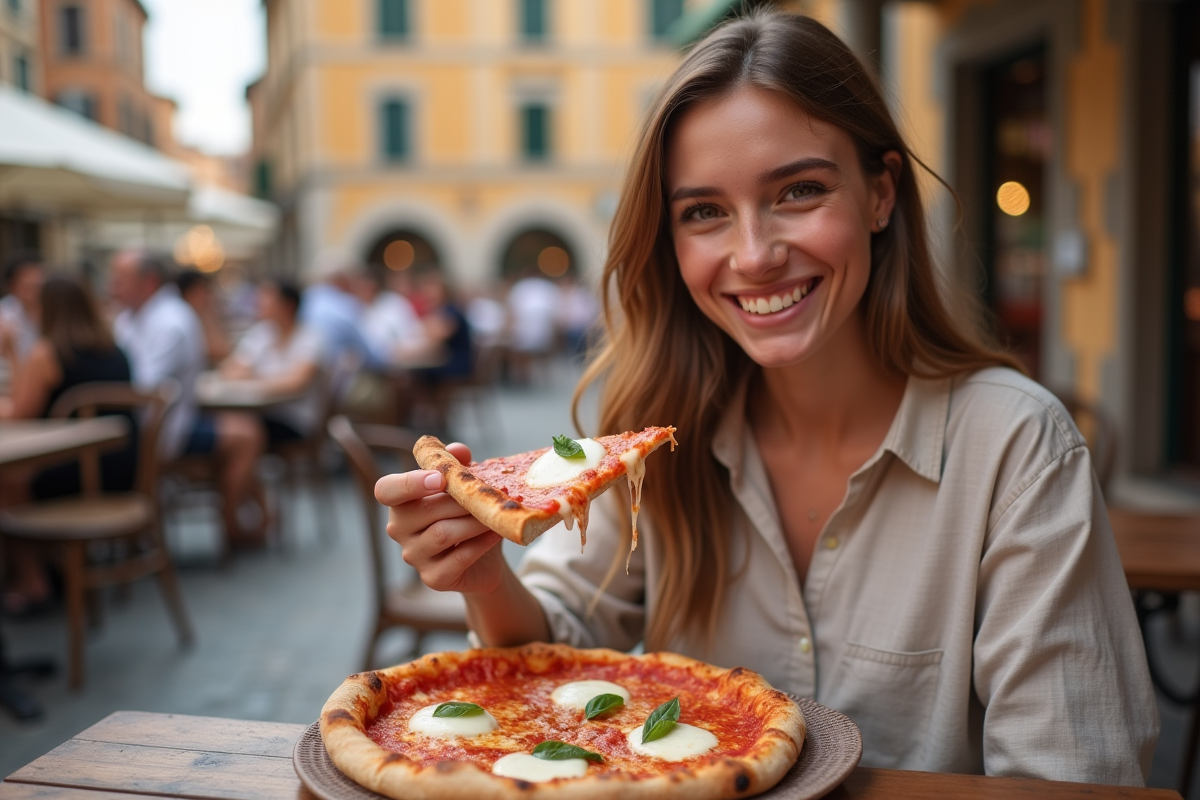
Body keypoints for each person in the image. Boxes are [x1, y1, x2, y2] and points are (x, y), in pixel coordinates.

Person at [374, 12, 1157, 786]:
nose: (754, 255)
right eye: (704, 212)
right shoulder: (659, 442)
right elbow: (550, 648)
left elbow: (1074, 779)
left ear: (881, 194)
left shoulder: (1016, 448)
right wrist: (481, 575)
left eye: (799, 191)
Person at [109, 251, 266, 544]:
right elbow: (145, 387)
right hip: (153, 434)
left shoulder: (159, 320)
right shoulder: (154, 317)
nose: (112, 287)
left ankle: (243, 522)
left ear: (149, 282)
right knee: (248, 435)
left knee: (244, 431)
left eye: (120, 280)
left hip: (144, 427)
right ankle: (233, 527)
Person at [0, 275, 135, 613]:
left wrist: (13, 351)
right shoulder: (115, 348)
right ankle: (55, 570)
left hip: (81, 475)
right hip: (124, 468)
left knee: (7, 482)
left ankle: (34, 581)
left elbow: (19, 414)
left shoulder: (47, 352)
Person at [220, 279, 322, 446]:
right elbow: (230, 370)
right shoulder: (262, 332)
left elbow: (296, 383)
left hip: (294, 419)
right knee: (227, 424)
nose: (259, 302)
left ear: (287, 305)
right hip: (262, 413)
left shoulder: (309, 338)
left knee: (240, 431)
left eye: (267, 298)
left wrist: (251, 376)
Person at [176, 269, 232, 365]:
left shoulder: (191, 315)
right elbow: (221, 351)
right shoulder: (182, 319)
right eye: (206, 290)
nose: (209, 295)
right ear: (191, 293)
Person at [0, 251, 45, 365]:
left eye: (39, 284)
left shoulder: (54, 308)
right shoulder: (5, 314)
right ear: (12, 286)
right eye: (29, 285)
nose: (36, 291)